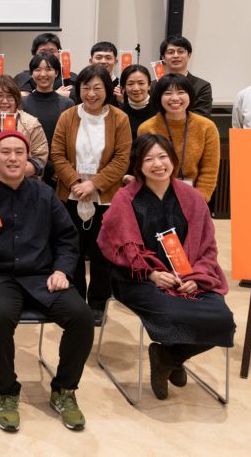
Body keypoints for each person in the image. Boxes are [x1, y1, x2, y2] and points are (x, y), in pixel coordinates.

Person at [0, 130, 93, 431]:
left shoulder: (44, 194)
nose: (13, 158)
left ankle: (64, 390)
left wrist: (61, 271)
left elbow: (67, 238)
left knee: (81, 316)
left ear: (28, 158)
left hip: (42, 276)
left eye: (19, 152)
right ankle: (7, 392)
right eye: (5, 152)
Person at [98, 135, 236, 400]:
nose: (157, 164)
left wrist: (197, 277)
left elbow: (208, 246)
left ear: (172, 160)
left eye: (163, 157)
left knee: (222, 321)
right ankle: (172, 357)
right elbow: (113, 246)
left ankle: (169, 356)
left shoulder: (192, 197)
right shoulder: (125, 199)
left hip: (190, 277)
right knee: (172, 315)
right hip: (138, 279)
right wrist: (151, 274)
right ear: (138, 164)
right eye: (148, 159)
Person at [49, 64, 131, 322]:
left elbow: (122, 159)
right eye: (86, 88)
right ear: (79, 89)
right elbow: (57, 154)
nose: (91, 94)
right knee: (71, 250)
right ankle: (74, 301)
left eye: (97, 88)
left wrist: (93, 184)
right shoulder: (68, 116)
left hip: (105, 198)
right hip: (70, 195)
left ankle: (97, 302)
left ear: (107, 89)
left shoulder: (120, 119)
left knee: (101, 253)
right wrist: (75, 182)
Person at [137, 74, 220, 203]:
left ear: (190, 96)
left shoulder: (206, 127)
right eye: (168, 93)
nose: (175, 98)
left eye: (181, 92)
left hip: (195, 196)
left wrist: (199, 199)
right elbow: (144, 168)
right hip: (156, 196)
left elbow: (209, 170)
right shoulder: (146, 128)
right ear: (159, 97)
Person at [21, 53, 74, 184]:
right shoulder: (22, 103)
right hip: (29, 169)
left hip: (59, 170)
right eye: (38, 70)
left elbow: (70, 139)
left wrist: (61, 168)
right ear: (31, 74)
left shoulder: (67, 104)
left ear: (56, 73)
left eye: (48, 69)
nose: (43, 74)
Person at [159, 35, 212, 116]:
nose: (176, 56)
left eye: (181, 51)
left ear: (189, 55)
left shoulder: (202, 86)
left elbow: (201, 117)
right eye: (170, 52)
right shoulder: (155, 85)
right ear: (163, 57)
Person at [71, 41, 121, 106]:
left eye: (108, 58)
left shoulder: (121, 86)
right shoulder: (82, 83)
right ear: (91, 61)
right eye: (98, 58)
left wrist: (123, 101)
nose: (103, 61)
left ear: (115, 61)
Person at [119, 64, 157, 139]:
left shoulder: (160, 111)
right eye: (130, 84)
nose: (136, 88)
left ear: (149, 85)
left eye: (141, 83)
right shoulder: (119, 115)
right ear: (123, 88)